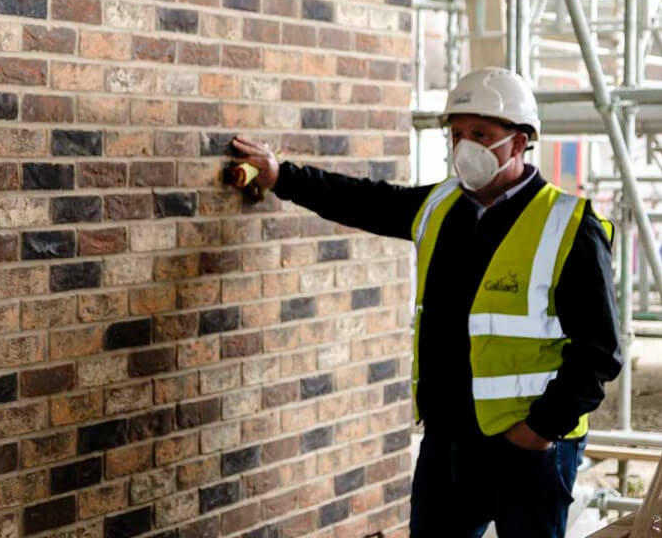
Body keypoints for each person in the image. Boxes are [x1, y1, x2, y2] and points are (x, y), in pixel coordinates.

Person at [231, 67, 621, 538]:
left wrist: (538, 430)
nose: (465, 146)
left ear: (518, 143)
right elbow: (363, 200)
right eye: (457, 133)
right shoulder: (441, 205)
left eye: (481, 133)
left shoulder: (569, 224)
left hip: (528, 448)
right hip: (448, 441)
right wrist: (281, 176)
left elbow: (600, 351)